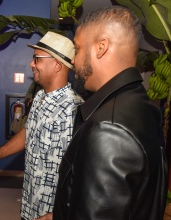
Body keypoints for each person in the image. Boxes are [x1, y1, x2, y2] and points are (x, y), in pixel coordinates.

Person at [53, 6, 168, 220]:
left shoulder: (108, 130)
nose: (73, 61)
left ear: (101, 47)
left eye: (77, 50)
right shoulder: (143, 106)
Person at [0, 31, 84, 220]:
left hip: (53, 211)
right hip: (31, 202)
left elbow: (80, 170)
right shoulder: (39, 97)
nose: (31, 64)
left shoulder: (74, 109)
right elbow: (29, 133)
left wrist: (61, 213)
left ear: (57, 65)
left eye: (37, 59)